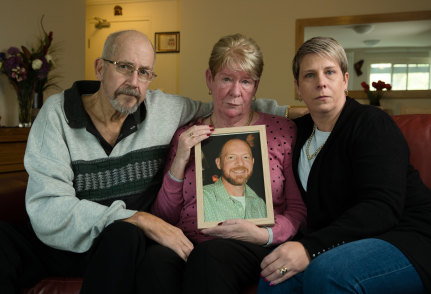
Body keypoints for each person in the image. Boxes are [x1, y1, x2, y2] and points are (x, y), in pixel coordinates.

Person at [0, 30, 290, 294]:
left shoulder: (163, 109)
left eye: (144, 72)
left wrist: (307, 112)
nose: (134, 82)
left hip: (123, 244)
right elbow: (48, 210)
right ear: (100, 67)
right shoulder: (57, 115)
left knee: (126, 236)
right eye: (124, 67)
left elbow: (229, 105)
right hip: (68, 239)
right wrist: (138, 217)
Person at [258, 37, 431, 293]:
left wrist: (309, 247)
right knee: (274, 277)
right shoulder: (299, 130)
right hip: (342, 241)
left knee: (328, 272)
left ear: (345, 80)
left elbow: (381, 207)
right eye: (309, 75)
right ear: (298, 87)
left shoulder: (373, 124)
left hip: (405, 236)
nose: (321, 83)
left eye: (330, 72)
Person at [152, 33, 307, 293]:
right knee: (154, 261)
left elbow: (297, 211)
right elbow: (164, 216)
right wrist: (180, 159)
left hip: (253, 244)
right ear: (209, 80)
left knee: (210, 257)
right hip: (190, 240)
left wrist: (265, 235)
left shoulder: (282, 131)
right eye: (226, 79)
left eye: (245, 81)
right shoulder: (185, 135)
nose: (236, 92)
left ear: (255, 87)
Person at [203, 138, 267, 221]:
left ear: (252, 162)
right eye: (231, 157)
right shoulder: (203, 198)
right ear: (219, 163)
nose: (240, 163)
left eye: (245, 157)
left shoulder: (260, 204)